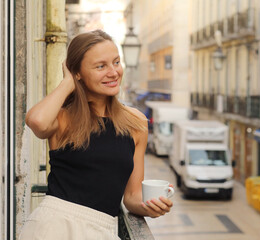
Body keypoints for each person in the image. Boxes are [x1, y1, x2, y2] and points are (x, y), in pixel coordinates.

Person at [20, 29, 173, 240]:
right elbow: (37, 121)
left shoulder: (136, 123)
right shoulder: (63, 118)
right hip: (54, 227)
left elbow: (131, 196)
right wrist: (67, 82)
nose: (113, 72)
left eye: (116, 62)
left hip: (102, 229)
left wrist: (151, 207)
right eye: (101, 66)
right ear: (78, 73)